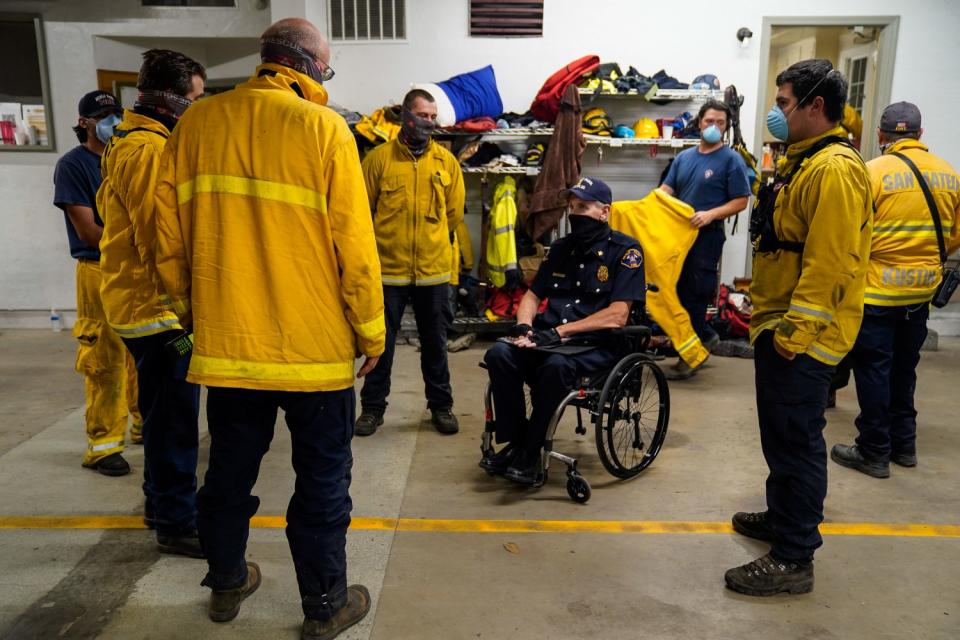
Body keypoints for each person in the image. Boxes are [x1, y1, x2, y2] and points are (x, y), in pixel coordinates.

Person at [154, 18, 385, 638]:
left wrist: (193, 316)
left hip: (232, 350)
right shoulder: (324, 129)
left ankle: (227, 582)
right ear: (309, 66)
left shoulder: (197, 124)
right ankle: (324, 605)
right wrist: (372, 334)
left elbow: (167, 240)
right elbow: (356, 251)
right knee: (321, 482)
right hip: (316, 355)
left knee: (227, 472)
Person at [725, 59, 873, 597]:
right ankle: (784, 514)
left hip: (802, 337)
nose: (777, 112)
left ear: (816, 106)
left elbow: (829, 264)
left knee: (796, 441)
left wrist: (793, 337)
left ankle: (794, 556)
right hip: (779, 323)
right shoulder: (803, 160)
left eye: (784, 102)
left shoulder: (833, 169)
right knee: (781, 437)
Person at [98, 49, 206, 557]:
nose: (197, 108)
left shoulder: (133, 138)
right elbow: (158, 239)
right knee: (174, 422)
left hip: (138, 303)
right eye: (194, 99)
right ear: (170, 99)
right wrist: (186, 307)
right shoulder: (146, 150)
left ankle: (159, 505)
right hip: (155, 309)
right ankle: (178, 524)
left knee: (163, 416)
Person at [480, 177, 645, 485]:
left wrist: (559, 332)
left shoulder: (625, 252)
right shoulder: (559, 249)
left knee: (555, 367)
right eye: (571, 207)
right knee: (499, 353)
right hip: (548, 340)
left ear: (604, 212)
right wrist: (525, 326)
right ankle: (517, 443)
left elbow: (618, 315)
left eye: (583, 207)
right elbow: (532, 295)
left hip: (595, 347)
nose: (575, 214)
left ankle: (530, 453)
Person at [831, 102, 960, 478]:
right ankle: (904, 445)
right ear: (920, 135)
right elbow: (954, 236)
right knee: (905, 368)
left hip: (877, 292)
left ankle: (873, 450)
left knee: (873, 370)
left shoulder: (871, 172)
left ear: (881, 136)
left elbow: (851, 231)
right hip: (921, 294)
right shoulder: (949, 174)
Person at [355, 89, 465, 436]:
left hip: (433, 271)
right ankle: (372, 410)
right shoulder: (378, 160)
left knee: (435, 345)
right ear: (405, 115)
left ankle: (441, 406)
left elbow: (453, 214)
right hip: (388, 272)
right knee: (380, 346)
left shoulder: (446, 163)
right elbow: (362, 212)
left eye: (433, 117)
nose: (429, 123)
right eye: (423, 116)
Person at [53, 90, 142, 477]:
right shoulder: (73, 166)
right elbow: (89, 232)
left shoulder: (123, 157)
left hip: (135, 271)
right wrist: (143, 238)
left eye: (115, 114)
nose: (112, 122)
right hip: (98, 270)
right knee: (104, 359)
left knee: (142, 356)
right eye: (103, 116)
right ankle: (103, 445)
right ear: (85, 122)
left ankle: (143, 425)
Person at [659, 99, 751, 379]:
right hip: (679, 235)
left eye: (720, 123)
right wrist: (650, 203)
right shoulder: (685, 158)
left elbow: (741, 200)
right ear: (699, 122)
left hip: (706, 236)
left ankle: (691, 357)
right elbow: (666, 189)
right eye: (709, 121)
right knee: (674, 289)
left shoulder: (731, 160)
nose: (714, 127)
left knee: (695, 295)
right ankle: (706, 336)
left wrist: (711, 215)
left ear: (726, 127)